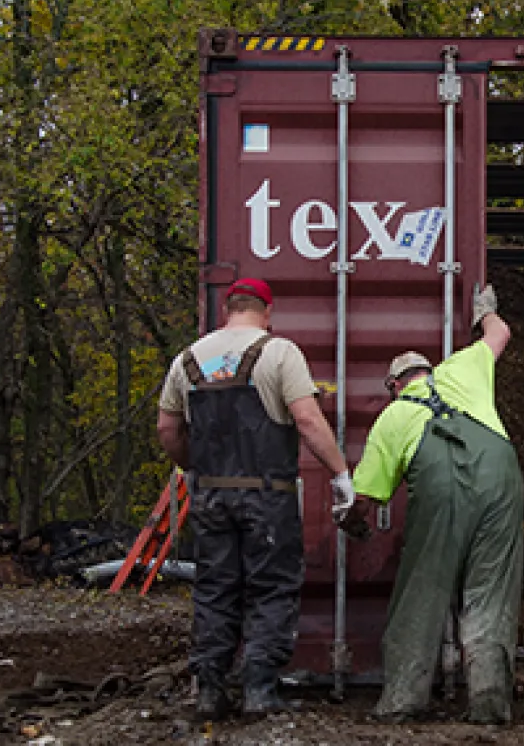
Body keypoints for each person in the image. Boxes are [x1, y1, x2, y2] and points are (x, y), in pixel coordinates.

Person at [156, 278, 357, 719]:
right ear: (267, 311)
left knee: (214, 589)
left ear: (227, 310)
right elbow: (306, 419)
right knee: (270, 588)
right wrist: (340, 473)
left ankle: (209, 691)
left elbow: (167, 430)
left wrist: (196, 467)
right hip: (267, 499)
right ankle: (259, 690)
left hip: (210, 498)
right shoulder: (279, 352)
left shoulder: (187, 359)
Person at [332, 283, 524, 725]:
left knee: (422, 591)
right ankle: (490, 705)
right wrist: (485, 311)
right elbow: (500, 335)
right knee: (489, 594)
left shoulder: (393, 416)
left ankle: (402, 701)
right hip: (501, 475)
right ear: (428, 369)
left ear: (396, 384)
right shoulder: (464, 366)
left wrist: (351, 522)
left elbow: (365, 499)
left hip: (440, 490)